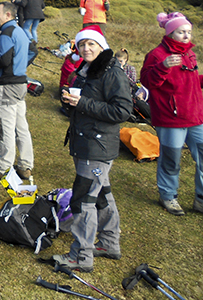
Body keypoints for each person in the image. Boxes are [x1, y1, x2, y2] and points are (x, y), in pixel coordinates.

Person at [53, 25, 132, 272]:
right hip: (85, 141)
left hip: (97, 145)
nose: (86, 48)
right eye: (82, 44)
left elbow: (122, 111)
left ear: (102, 46)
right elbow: (88, 103)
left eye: (91, 44)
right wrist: (70, 100)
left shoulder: (111, 72)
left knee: (83, 199)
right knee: (101, 193)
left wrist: (83, 103)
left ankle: (81, 256)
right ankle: (109, 243)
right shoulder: (86, 69)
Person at [140, 12, 203, 216]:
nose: (186, 36)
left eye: (188, 32)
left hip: (196, 116)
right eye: (181, 32)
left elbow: (191, 83)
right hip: (170, 119)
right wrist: (163, 67)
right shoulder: (157, 55)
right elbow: (148, 82)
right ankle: (168, 196)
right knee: (171, 160)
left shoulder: (189, 54)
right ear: (170, 33)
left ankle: (200, 199)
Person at [0, 2, 34, 181]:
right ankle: (25, 165)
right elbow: (32, 50)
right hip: (21, 83)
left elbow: (2, 60)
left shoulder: (6, 33)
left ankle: (3, 167)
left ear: (8, 15)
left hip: (7, 85)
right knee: (22, 126)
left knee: (6, 127)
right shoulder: (20, 31)